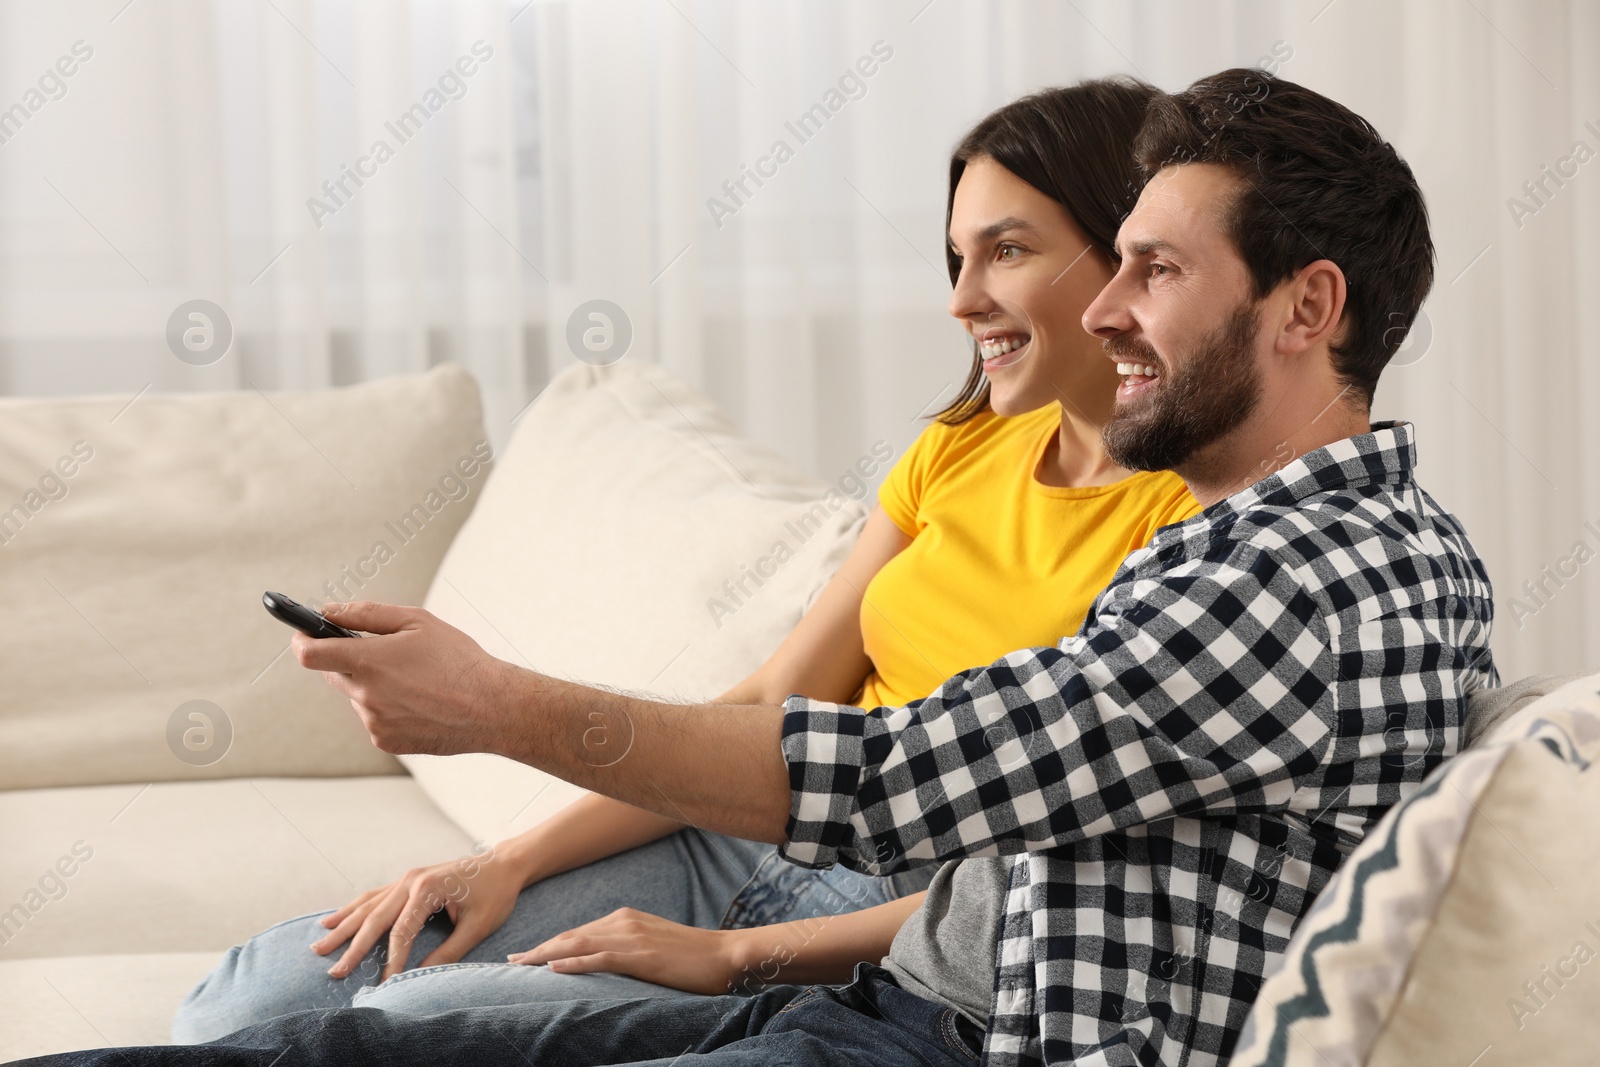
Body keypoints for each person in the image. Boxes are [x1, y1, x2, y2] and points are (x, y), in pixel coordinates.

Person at [21, 67, 1499, 1067]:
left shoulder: (1278, 586)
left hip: (925, 1018)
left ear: (1310, 306)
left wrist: (489, 700)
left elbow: (895, 780)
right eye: (1111, 262)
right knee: (319, 1027)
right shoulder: (1318, 544)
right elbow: (904, 786)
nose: (1106, 312)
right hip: (892, 984)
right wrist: (634, 913)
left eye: (1153, 269)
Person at [168, 78, 1200, 1042]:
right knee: (249, 1000)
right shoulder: (961, 447)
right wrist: (503, 861)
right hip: (731, 838)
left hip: (899, 923)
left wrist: (733, 957)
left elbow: (1041, 877)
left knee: (397, 1028)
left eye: (1006, 250)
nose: (961, 298)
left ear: (1130, 257)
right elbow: (766, 703)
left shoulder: (1189, 531)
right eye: (956, 256)